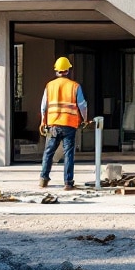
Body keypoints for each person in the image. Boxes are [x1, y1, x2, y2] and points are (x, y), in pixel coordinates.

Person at [38, 56, 88, 191]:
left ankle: (43, 179)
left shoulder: (49, 86)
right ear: (68, 70)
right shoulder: (75, 86)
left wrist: (43, 122)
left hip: (53, 124)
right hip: (69, 124)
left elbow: (44, 106)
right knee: (68, 153)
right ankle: (68, 182)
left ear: (56, 71)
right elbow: (82, 105)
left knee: (49, 152)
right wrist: (84, 119)